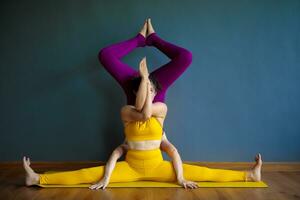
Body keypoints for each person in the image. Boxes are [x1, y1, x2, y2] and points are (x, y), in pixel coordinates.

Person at [23, 58, 262, 190]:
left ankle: (250, 176)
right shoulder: (126, 111)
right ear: (135, 92)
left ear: (155, 93)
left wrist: (179, 178)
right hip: (131, 167)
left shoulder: (161, 110)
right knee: (89, 175)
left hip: (158, 167)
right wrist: (107, 176)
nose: (147, 92)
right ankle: (36, 179)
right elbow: (123, 143)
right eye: (142, 88)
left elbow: (171, 148)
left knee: (202, 173)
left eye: (151, 89)